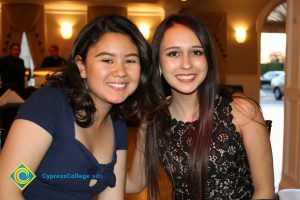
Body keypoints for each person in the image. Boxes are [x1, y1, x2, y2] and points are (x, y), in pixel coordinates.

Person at [0, 15, 151, 200]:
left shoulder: (115, 122)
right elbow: (7, 190)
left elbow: (113, 194)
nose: (120, 71)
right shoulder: (49, 105)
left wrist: (147, 125)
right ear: (82, 66)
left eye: (130, 60)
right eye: (107, 60)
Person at [126, 13, 275, 199]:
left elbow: (265, 191)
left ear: (208, 60)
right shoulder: (152, 120)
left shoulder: (242, 111)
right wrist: (89, 174)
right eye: (174, 53)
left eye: (196, 52)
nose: (186, 64)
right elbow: (135, 182)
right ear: (158, 64)